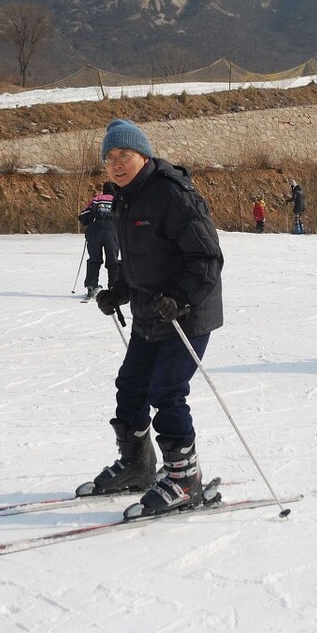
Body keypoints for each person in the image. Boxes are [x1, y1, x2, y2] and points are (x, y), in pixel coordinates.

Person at [85, 118, 225, 517]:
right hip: (150, 313)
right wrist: (120, 291)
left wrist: (181, 298)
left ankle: (185, 479)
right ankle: (137, 466)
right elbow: (140, 260)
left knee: (166, 389)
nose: (116, 164)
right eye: (109, 158)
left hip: (187, 314)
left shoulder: (172, 193)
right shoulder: (125, 198)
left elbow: (207, 257)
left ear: (143, 154)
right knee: (130, 387)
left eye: (123, 154)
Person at [77, 181, 120, 299]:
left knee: (94, 259)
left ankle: (91, 286)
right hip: (112, 231)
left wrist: (87, 222)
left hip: (95, 231)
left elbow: (83, 216)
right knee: (113, 260)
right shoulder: (117, 201)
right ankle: (114, 288)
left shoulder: (95, 200)